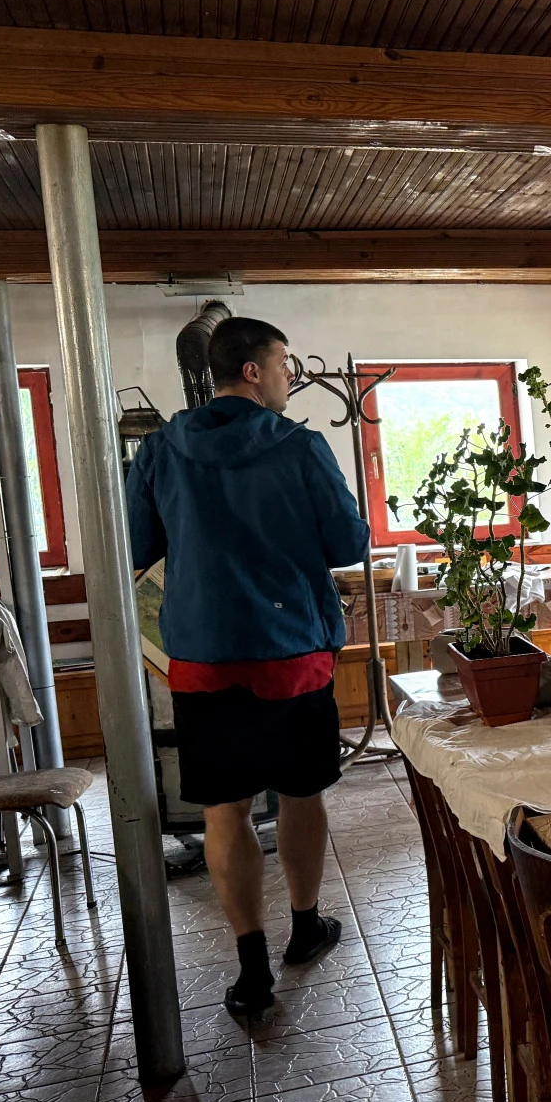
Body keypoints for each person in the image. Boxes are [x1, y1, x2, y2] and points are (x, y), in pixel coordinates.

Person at [127, 317, 371, 1018]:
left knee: (224, 809)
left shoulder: (160, 450)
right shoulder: (300, 446)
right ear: (254, 372)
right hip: (291, 651)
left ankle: (252, 968)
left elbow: (139, 548)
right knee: (301, 794)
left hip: (204, 655)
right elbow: (348, 542)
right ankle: (305, 926)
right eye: (285, 363)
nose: (292, 375)